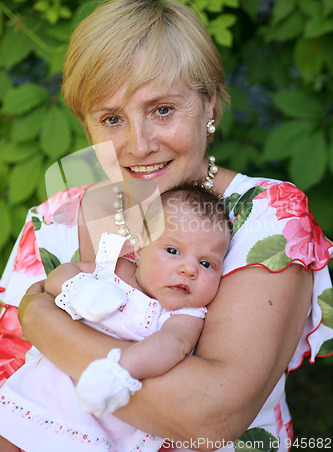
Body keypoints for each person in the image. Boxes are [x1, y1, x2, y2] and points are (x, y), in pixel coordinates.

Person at [0, 0, 332, 452]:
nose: (139, 144)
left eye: (162, 110)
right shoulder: (54, 219)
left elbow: (210, 415)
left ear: (210, 106)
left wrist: (43, 322)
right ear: (87, 128)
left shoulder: (263, 214)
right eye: (112, 118)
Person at [0, 184, 230, 452]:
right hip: (47, 387)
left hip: (105, 415)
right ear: (141, 249)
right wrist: (78, 288)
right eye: (173, 251)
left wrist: (121, 370)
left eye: (206, 264)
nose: (189, 269)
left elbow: (173, 344)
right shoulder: (113, 268)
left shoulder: (185, 315)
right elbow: (59, 275)